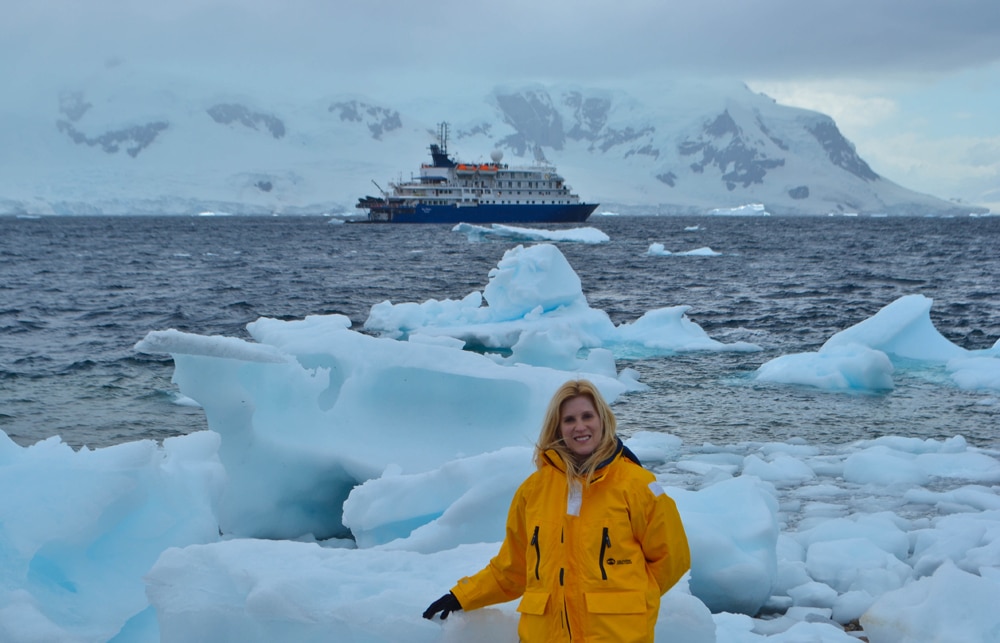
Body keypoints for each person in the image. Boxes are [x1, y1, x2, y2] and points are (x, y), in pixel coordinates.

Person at [423, 379, 690, 642]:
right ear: (558, 428)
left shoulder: (638, 485)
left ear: (603, 420)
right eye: (569, 420)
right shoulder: (533, 490)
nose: (580, 426)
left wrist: (632, 600)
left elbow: (672, 559)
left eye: (587, 416)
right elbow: (513, 569)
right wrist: (463, 595)